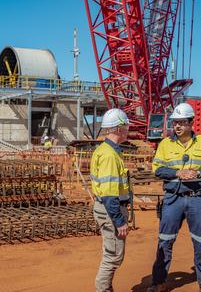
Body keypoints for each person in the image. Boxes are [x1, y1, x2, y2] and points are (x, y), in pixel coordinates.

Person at [148, 103, 201, 292]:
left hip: (197, 198)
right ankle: (159, 282)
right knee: (165, 240)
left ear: (191, 123)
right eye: (175, 123)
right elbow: (157, 169)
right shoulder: (165, 144)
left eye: (182, 122)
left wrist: (198, 173)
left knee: (200, 241)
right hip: (173, 199)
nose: (177, 126)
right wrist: (178, 173)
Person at [90, 108, 132, 292]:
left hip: (107, 209)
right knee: (113, 257)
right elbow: (108, 194)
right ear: (119, 128)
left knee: (112, 254)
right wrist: (119, 221)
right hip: (110, 211)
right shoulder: (109, 155)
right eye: (126, 125)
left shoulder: (108, 151)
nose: (129, 129)